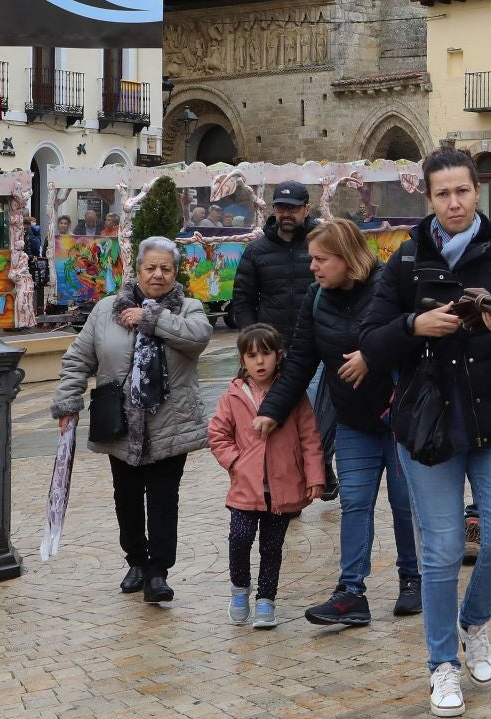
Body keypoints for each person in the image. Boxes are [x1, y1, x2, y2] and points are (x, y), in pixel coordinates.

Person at [359, 147, 491, 716]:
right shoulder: (404, 261)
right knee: (440, 551)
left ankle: (475, 620)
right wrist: (414, 325)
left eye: (462, 191)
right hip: (430, 425)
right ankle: (442, 663)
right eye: (442, 193)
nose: (454, 202)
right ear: (429, 197)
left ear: (476, 192)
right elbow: (369, 338)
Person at [258, 219, 420, 627]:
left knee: (405, 504)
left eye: (321, 259)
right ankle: (351, 593)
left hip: (400, 419)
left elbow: (415, 339)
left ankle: (413, 580)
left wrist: (373, 356)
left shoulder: (389, 287)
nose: (312, 267)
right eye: (312, 259)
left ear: (347, 259)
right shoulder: (316, 299)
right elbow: (298, 363)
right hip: (354, 423)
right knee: (355, 505)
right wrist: (271, 411)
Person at [51, 236, 212, 603]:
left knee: (162, 498)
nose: (157, 275)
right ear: (136, 270)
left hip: (170, 423)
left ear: (175, 272)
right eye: (150, 267)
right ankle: (136, 561)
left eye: (165, 269)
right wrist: (68, 402)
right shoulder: (107, 309)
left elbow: (198, 338)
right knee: (125, 496)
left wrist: (151, 318)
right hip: (119, 421)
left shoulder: (189, 308)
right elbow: (79, 359)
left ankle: (158, 572)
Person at [209, 323, 324, 629]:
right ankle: (239, 590)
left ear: (278, 355)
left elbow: (310, 438)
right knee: (239, 539)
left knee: (272, 547)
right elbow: (218, 435)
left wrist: (315, 476)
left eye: (266, 354)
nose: (259, 361)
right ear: (242, 359)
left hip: (282, 489)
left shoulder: (293, 395)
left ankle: (266, 600)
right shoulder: (234, 395)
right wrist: (237, 463)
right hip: (245, 489)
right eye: (251, 355)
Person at [228, 181, 321, 336]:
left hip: (315, 341)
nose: (286, 214)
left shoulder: (320, 245)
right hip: (273, 342)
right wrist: (252, 336)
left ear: (306, 209)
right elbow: (243, 299)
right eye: (281, 208)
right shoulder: (255, 250)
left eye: (293, 208)